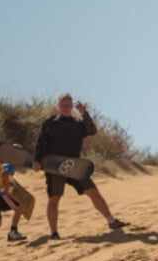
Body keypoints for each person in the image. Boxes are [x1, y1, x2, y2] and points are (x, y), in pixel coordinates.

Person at [34, 93, 126, 239]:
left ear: (72, 107)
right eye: (63, 105)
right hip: (55, 167)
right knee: (54, 199)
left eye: (68, 105)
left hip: (75, 166)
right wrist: (37, 160)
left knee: (93, 192)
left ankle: (111, 221)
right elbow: (41, 142)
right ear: (58, 106)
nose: (65, 107)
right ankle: (54, 232)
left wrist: (84, 114)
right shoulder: (50, 122)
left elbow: (92, 130)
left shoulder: (77, 123)